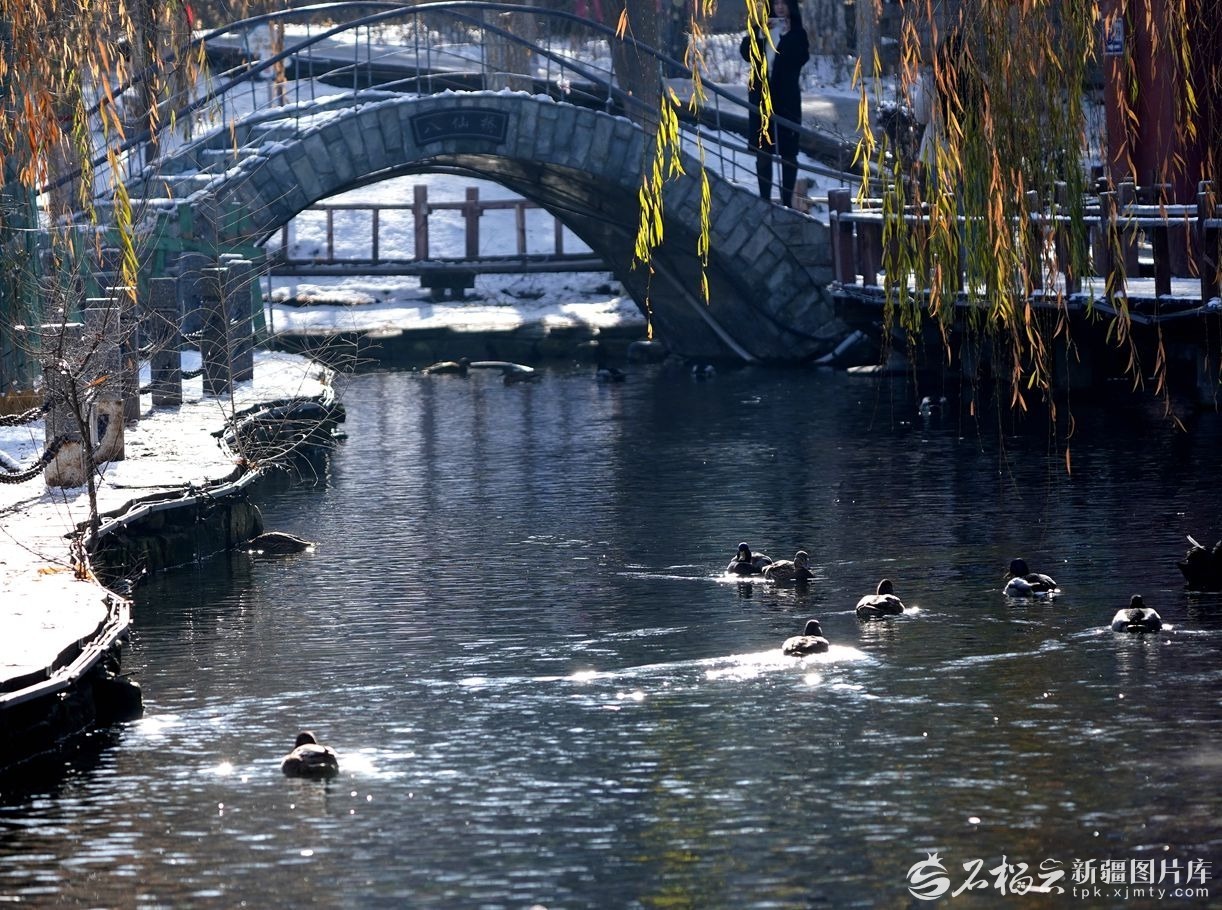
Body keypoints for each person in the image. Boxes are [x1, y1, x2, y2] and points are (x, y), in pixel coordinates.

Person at [740, 0, 809, 207]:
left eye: (784, 3)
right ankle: (765, 200)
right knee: (763, 151)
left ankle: (787, 202)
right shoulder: (761, 29)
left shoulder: (797, 33)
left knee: (788, 152)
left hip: (787, 98)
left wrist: (786, 37)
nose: (779, 7)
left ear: (791, 6)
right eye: (776, 3)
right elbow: (746, 53)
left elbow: (800, 58)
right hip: (761, 97)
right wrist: (760, 35)